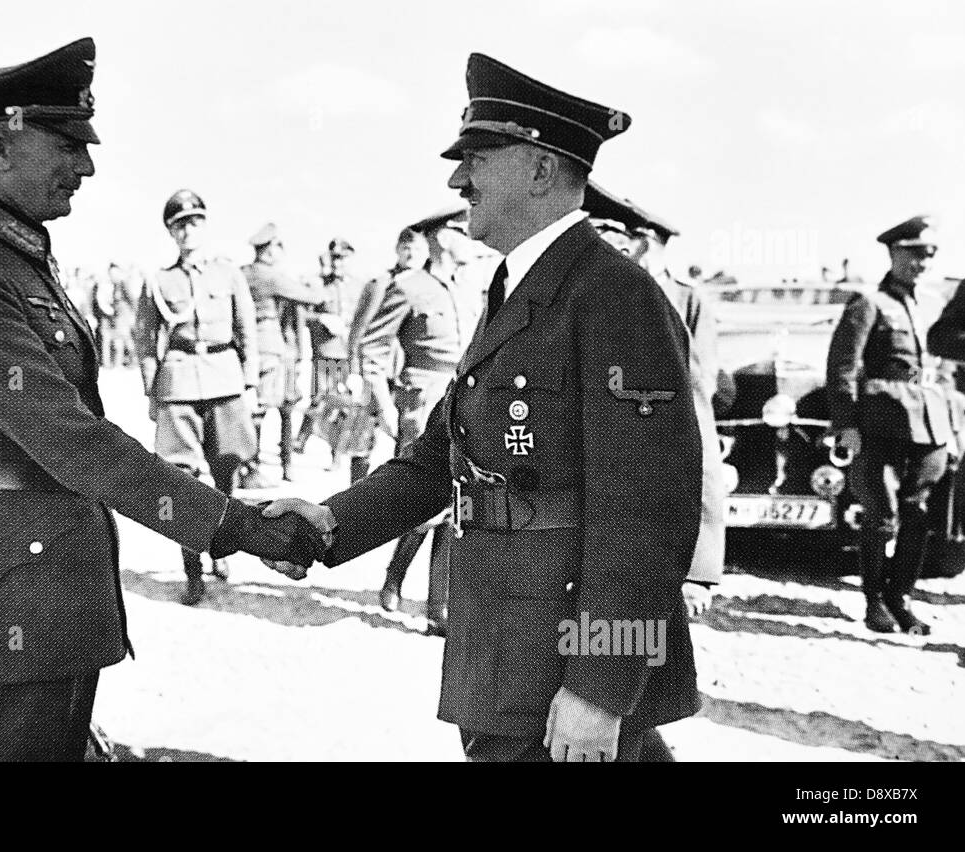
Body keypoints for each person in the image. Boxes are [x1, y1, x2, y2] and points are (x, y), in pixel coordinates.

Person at [0, 38, 326, 762]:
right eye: (66, 144)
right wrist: (237, 526)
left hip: (37, 595)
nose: (86, 165)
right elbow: (75, 441)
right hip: (1, 614)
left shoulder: (12, 258)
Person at [264, 53, 703, 762]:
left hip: (563, 659)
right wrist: (330, 523)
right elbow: (440, 460)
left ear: (540, 171)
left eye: (476, 157)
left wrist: (599, 688)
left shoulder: (611, 293)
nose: (456, 179)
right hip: (506, 643)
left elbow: (649, 514)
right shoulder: (519, 288)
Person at [584, 181, 725, 619]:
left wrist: (699, 570)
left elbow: (701, 410)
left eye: (612, 235)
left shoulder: (685, 298)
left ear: (643, 242)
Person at [133, 189, 264, 606]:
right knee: (182, 480)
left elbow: (247, 329)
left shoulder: (228, 273)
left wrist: (251, 381)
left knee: (227, 471)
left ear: (204, 226)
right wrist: (152, 390)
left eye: (194, 222)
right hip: (179, 381)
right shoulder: (159, 280)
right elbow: (144, 337)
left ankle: (220, 549)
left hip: (224, 378)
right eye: (179, 224)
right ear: (171, 232)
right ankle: (192, 571)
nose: (188, 230)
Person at [829, 215, 953, 635]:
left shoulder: (932, 306)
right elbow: (843, 369)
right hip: (879, 426)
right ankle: (874, 601)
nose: (922, 263)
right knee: (881, 516)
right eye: (915, 254)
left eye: (929, 255)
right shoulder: (869, 305)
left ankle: (901, 597)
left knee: (918, 515)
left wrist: (953, 420)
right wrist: (846, 425)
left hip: (929, 427)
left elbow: (943, 370)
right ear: (893, 254)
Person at [348, 227, 467, 635]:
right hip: (421, 400)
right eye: (462, 233)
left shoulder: (467, 287)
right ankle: (396, 576)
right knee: (422, 496)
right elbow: (373, 347)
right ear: (443, 241)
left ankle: (439, 606)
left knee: (455, 502)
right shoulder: (408, 287)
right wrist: (380, 402)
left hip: (461, 397)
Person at [240, 223, 324, 484]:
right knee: (271, 408)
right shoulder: (272, 276)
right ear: (271, 250)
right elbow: (312, 296)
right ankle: (255, 470)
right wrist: (315, 284)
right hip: (270, 347)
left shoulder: (242, 272)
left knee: (258, 408)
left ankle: (256, 465)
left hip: (245, 347)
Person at [294, 238, 363, 467]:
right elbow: (303, 316)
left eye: (342, 258)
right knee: (318, 399)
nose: (338, 263)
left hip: (348, 354)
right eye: (335, 258)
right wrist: (322, 318)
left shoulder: (359, 286)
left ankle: (337, 453)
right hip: (324, 351)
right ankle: (300, 441)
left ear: (351, 259)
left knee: (344, 404)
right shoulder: (318, 285)